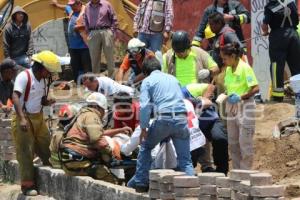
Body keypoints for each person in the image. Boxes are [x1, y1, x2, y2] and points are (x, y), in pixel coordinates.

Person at [129, 56, 194, 192]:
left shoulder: (147, 81)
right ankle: (191, 188)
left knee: (146, 146)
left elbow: (145, 106)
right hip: (182, 119)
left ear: (145, 72)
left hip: (164, 119)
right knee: (185, 159)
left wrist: (144, 127)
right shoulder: (173, 79)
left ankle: (141, 183)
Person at [11, 51, 61, 196]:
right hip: (24, 117)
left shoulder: (44, 80)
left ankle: (50, 176)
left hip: (38, 118)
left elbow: (41, 99)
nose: (50, 74)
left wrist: (48, 101)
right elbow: (15, 96)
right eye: (49, 71)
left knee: (47, 147)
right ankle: (27, 186)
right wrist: (22, 118)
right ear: (42, 68)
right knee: (25, 152)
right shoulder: (24, 76)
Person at [59, 92, 131, 182]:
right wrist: (111, 155)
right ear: (98, 107)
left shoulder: (82, 115)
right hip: (80, 161)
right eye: (103, 110)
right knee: (110, 179)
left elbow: (99, 133)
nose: (103, 113)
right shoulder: (91, 116)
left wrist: (119, 130)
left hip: (70, 161)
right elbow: (97, 139)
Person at [220, 42, 259, 169]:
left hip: (245, 106)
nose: (223, 61)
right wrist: (226, 95)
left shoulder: (245, 68)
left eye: (225, 58)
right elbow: (230, 87)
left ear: (232, 56)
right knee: (233, 142)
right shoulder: (228, 70)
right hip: (231, 107)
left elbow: (256, 88)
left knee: (245, 142)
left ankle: (246, 173)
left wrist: (240, 97)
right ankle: (237, 171)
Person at [181, 83, 229, 175]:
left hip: (210, 120)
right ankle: (190, 170)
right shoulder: (172, 103)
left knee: (220, 138)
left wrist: (204, 98)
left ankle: (222, 171)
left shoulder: (187, 89)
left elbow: (211, 86)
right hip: (194, 127)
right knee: (192, 144)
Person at [262, 0, 300, 102]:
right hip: (294, 35)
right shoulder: (291, 2)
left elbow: (265, 25)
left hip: (278, 36)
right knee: (297, 66)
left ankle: (278, 96)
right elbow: (297, 18)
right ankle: (299, 93)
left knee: (276, 66)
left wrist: (265, 32)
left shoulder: (271, 5)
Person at [83, 0, 118, 77]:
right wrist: (89, 32)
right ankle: (96, 80)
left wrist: (112, 31)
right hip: (93, 32)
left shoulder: (107, 4)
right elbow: (85, 19)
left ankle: (111, 79)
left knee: (109, 57)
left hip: (106, 31)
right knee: (94, 58)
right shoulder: (87, 7)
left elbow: (114, 18)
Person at [66, 0, 92, 82]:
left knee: (86, 67)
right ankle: (78, 84)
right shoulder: (71, 12)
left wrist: (80, 26)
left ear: (79, 4)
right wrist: (56, 4)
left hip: (84, 45)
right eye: (71, 5)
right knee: (75, 66)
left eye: (73, 5)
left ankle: (89, 85)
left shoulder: (86, 13)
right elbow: (66, 7)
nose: (72, 7)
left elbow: (92, 24)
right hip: (73, 46)